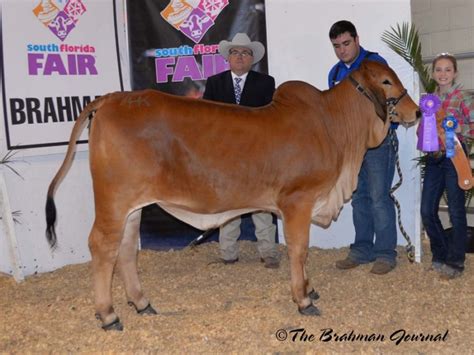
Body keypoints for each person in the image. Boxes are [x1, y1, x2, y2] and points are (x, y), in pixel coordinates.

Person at [202, 32, 280, 269]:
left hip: (258, 154)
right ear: (228, 57)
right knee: (228, 203)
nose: (239, 57)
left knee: (262, 203)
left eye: (245, 53)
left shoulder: (266, 83)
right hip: (224, 154)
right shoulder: (215, 83)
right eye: (235, 52)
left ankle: (268, 251)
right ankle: (228, 252)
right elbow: (206, 118)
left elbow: (271, 119)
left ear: (252, 58)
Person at [328, 20, 398, 274]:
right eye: (336, 46)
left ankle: (386, 254)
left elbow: (391, 98)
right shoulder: (334, 73)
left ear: (357, 40)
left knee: (379, 197)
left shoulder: (375, 63)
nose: (342, 50)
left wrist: (388, 131)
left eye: (346, 43)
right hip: (352, 146)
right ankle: (361, 250)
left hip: (378, 143)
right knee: (359, 198)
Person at [420, 53, 474, 280]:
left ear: (455, 73)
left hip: (454, 157)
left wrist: (458, 132)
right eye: (439, 70)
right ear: (433, 74)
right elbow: (424, 132)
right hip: (434, 159)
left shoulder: (463, 98)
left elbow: (472, 127)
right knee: (427, 210)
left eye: (447, 70)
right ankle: (439, 253)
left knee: (456, 211)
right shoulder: (429, 100)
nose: (443, 74)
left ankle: (456, 260)